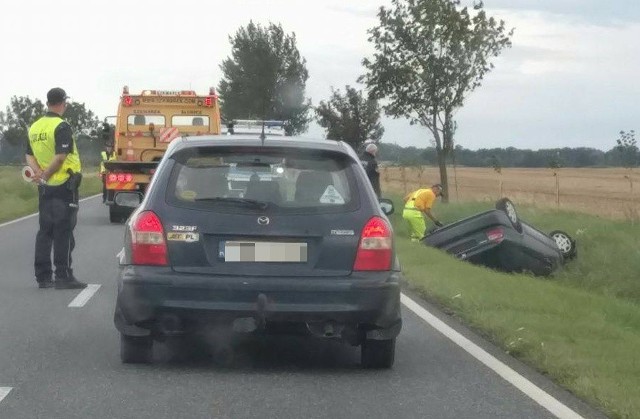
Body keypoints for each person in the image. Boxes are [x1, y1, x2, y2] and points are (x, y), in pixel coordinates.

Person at [25, 87, 87, 289]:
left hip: (45, 188)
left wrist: (39, 175)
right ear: (63, 102)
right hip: (64, 186)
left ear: (47, 102)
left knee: (45, 231)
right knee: (64, 230)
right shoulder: (62, 126)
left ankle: (43, 276)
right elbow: (60, 157)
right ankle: (63, 275)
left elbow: (29, 156)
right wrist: (45, 174)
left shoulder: (34, 127)